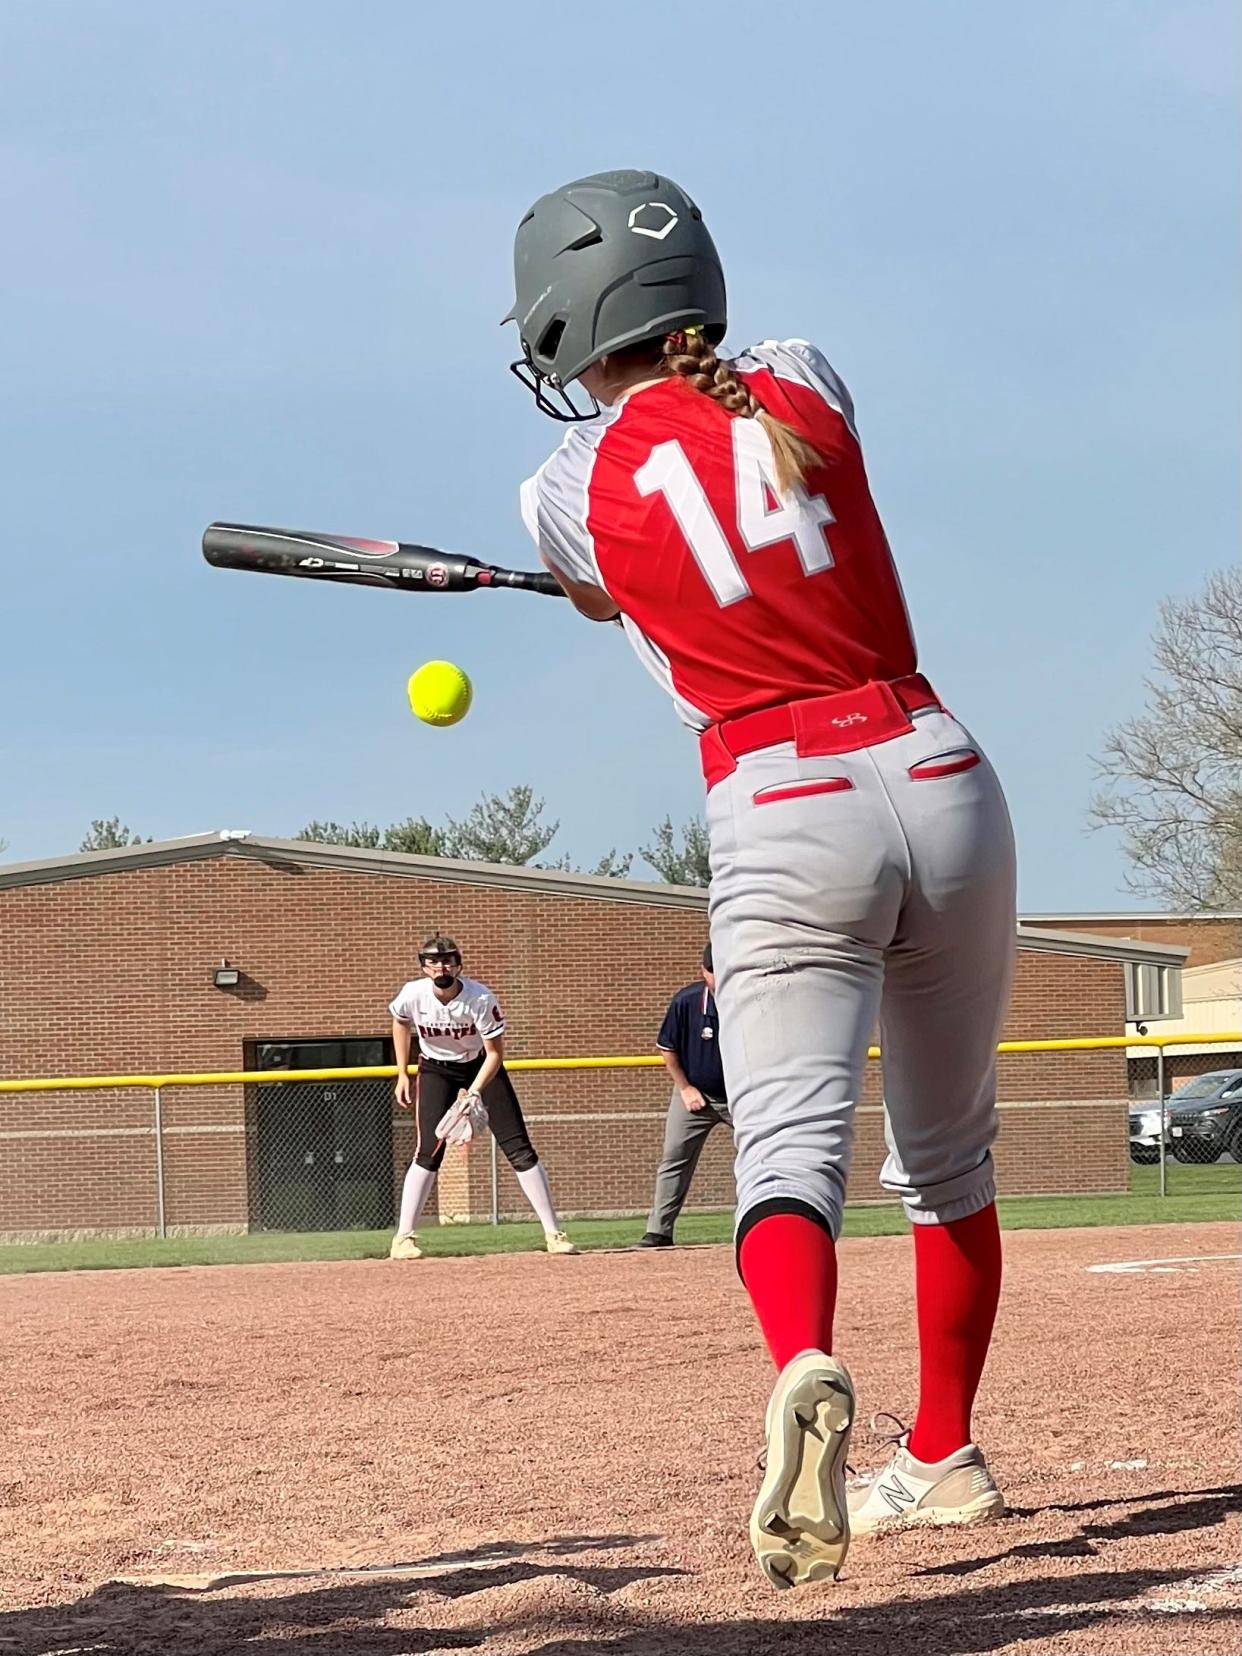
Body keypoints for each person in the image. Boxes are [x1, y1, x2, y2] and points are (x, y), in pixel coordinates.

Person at [507, 170, 1016, 1588]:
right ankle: (947, 1457)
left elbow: (611, 584)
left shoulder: (559, 487)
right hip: (938, 764)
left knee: (789, 1152)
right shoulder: (798, 373)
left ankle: (802, 1360)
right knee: (947, 1158)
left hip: (780, 797)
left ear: (562, 324)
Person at [388, 934, 576, 1259]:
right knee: (427, 1152)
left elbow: (495, 1054)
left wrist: (473, 1092)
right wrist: (403, 1072)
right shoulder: (413, 994)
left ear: (458, 965)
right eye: (433, 961)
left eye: (447, 960)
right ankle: (403, 1239)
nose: (441, 966)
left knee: (518, 1147)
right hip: (435, 1069)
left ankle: (553, 1234)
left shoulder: (480, 998)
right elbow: (400, 1022)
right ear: (423, 967)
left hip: (480, 1065)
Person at [639, 943, 731, 1248]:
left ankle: (755, 1225)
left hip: (742, 1097)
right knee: (674, 1158)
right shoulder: (687, 1002)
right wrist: (685, 1088)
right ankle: (659, 1231)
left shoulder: (748, 999)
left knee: (762, 1155)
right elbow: (668, 1049)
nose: (718, 978)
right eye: (712, 971)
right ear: (703, 970)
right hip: (695, 1092)